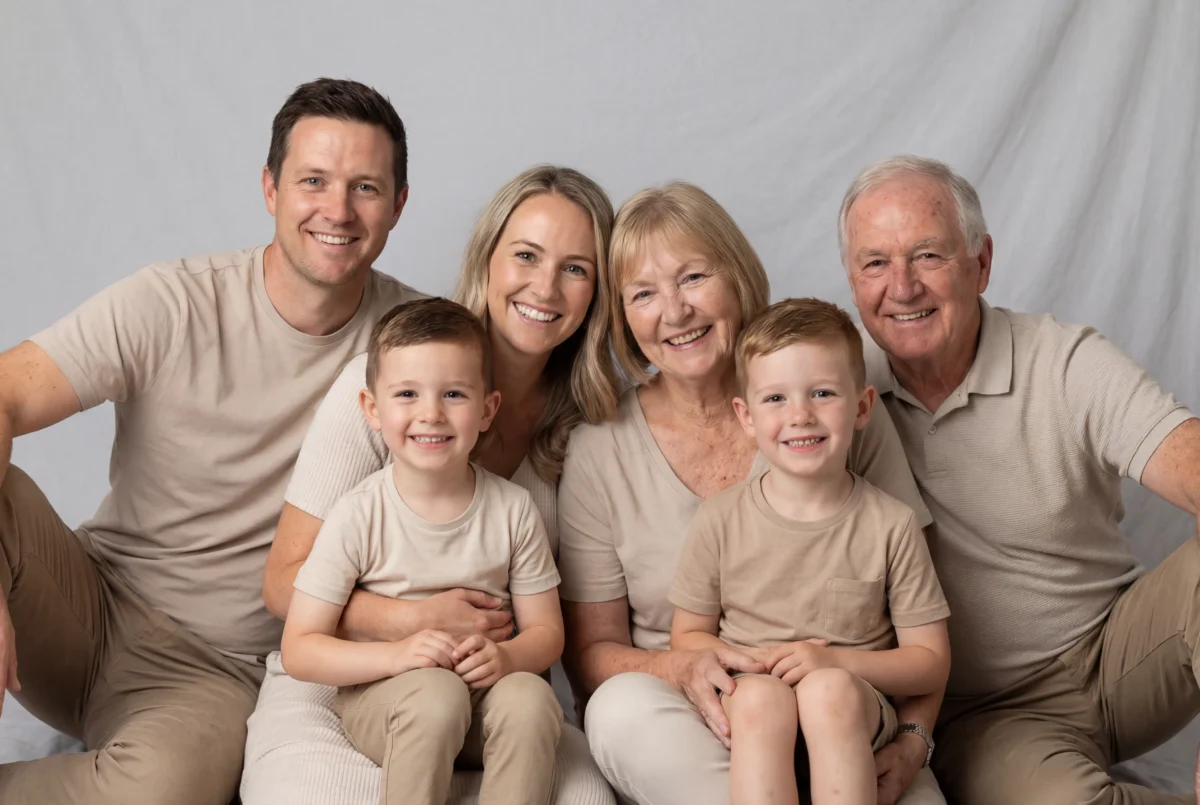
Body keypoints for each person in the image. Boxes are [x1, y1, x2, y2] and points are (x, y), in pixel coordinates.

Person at [0, 77, 420, 804]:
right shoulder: (173, 303)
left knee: (162, 791)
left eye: (366, 188)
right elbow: (5, 391)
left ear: (398, 205)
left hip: (217, 670)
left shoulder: (416, 349)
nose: (337, 210)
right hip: (85, 604)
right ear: (270, 187)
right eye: (313, 180)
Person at [557, 182, 947, 805]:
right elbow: (591, 653)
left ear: (736, 276)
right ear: (623, 316)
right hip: (705, 720)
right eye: (644, 294)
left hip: (852, 723)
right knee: (620, 710)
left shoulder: (831, 400)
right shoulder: (601, 449)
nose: (675, 311)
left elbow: (920, 628)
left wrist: (912, 741)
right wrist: (683, 667)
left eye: (693, 277)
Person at [241, 165, 619, 805]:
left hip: (497, 686)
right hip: (358, 675)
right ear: (488, 260)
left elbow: (554, 631)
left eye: (576, 268)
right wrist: (412, 625)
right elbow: (285, 585)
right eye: (525, 255)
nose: (546, 287)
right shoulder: (390, 381)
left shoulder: (588, 432)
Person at [838, 154, 1200, 804]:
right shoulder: (835, 391)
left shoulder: (1064, 360)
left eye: (927, 256)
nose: (903, 286)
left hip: (1122, 652)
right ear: (851, 278)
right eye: (875, 263)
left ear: (981, 263)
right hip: (988, 713)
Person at [282, 298, 565, 805]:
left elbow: (547, 633)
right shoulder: (359, 513)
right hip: (388, 700)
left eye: (454, 394)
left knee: (532, 698)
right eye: (407, 394)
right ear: (372, 409)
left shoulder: (514, 510)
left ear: (486, 410)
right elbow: (299, 647)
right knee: (437, 694)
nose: (430, 414)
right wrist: (396, 654)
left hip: (484, 705)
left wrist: (506, 656)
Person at [669, 297, 951, 805]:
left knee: (828, 693)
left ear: (863, 406)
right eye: (775, 399)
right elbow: (687, 636)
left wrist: (835, 663)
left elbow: (930, 662)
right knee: (758, 699)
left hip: (853, 707)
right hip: (751, 706)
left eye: (822, 393)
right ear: (746, 415)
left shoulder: (892, 524)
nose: (800, 415)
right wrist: (740, 661)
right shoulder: (720, 519)